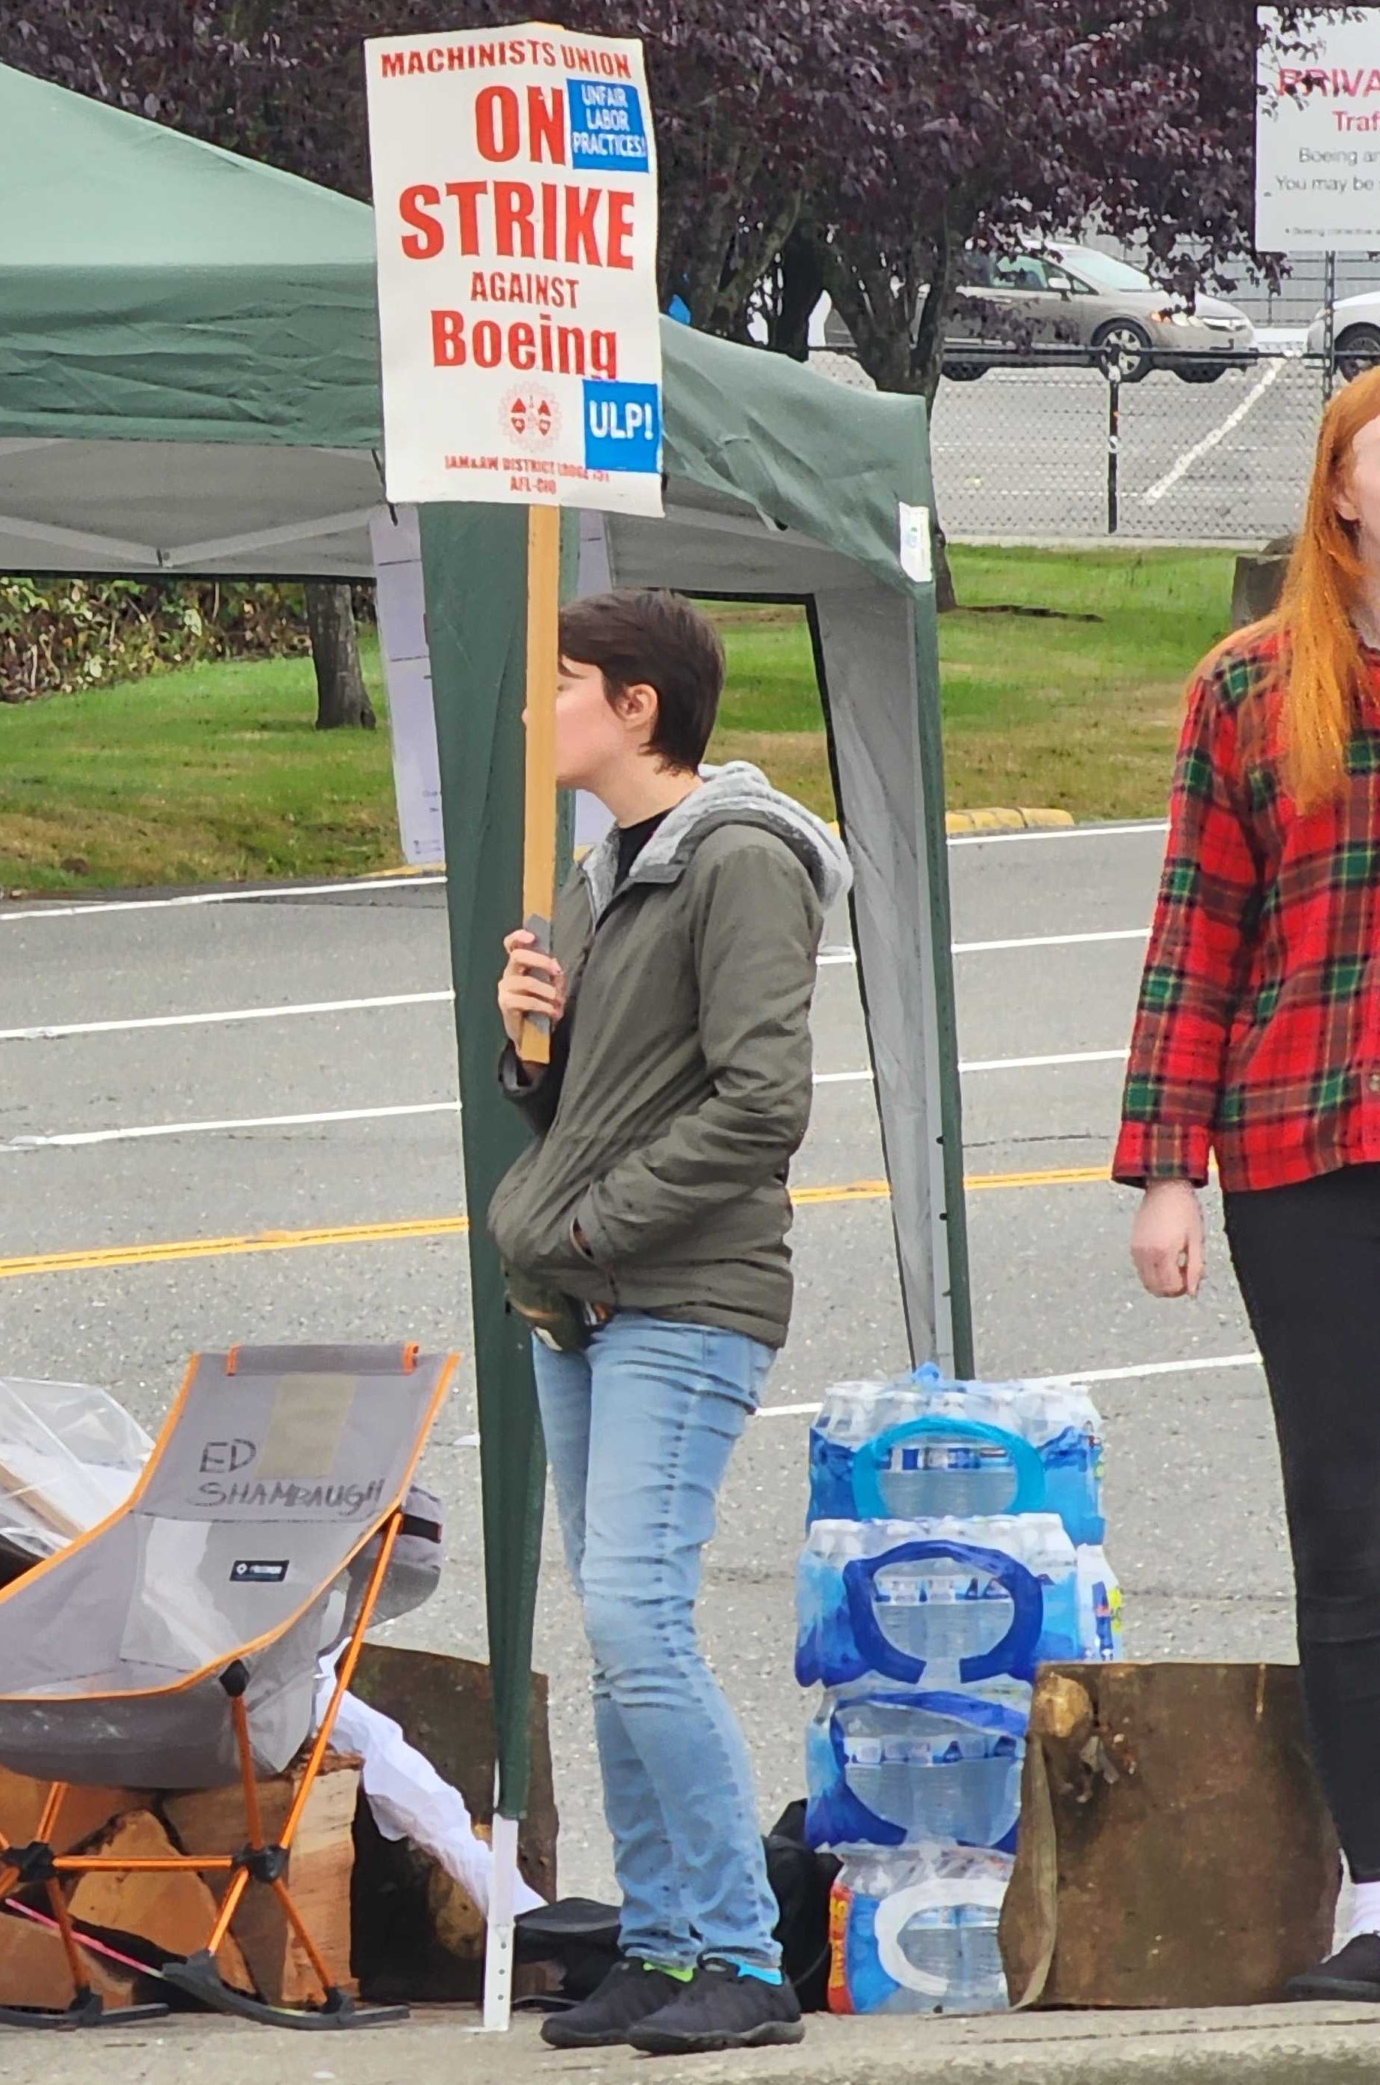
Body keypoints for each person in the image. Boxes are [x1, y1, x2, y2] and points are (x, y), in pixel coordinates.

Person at [1119, 360, 1380, 2007]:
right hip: (1307, 1153)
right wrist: (1166, 1172)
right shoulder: (1252, 690)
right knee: (1349, 1523)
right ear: (1339, 494)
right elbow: (1196, 938)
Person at [485, 589, 848, 2057]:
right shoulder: (597, 870)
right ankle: (663, 1936)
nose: (535, 709)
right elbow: (590, 1102)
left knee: (639, 1614)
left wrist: (589, 1222)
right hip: (582, 1298)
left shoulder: (740, 861)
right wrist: (533, 1051)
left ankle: (746, 1957)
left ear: (637, 704)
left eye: (558, 682)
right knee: (613, 1619)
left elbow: (763, 1099)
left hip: (682, 1293)